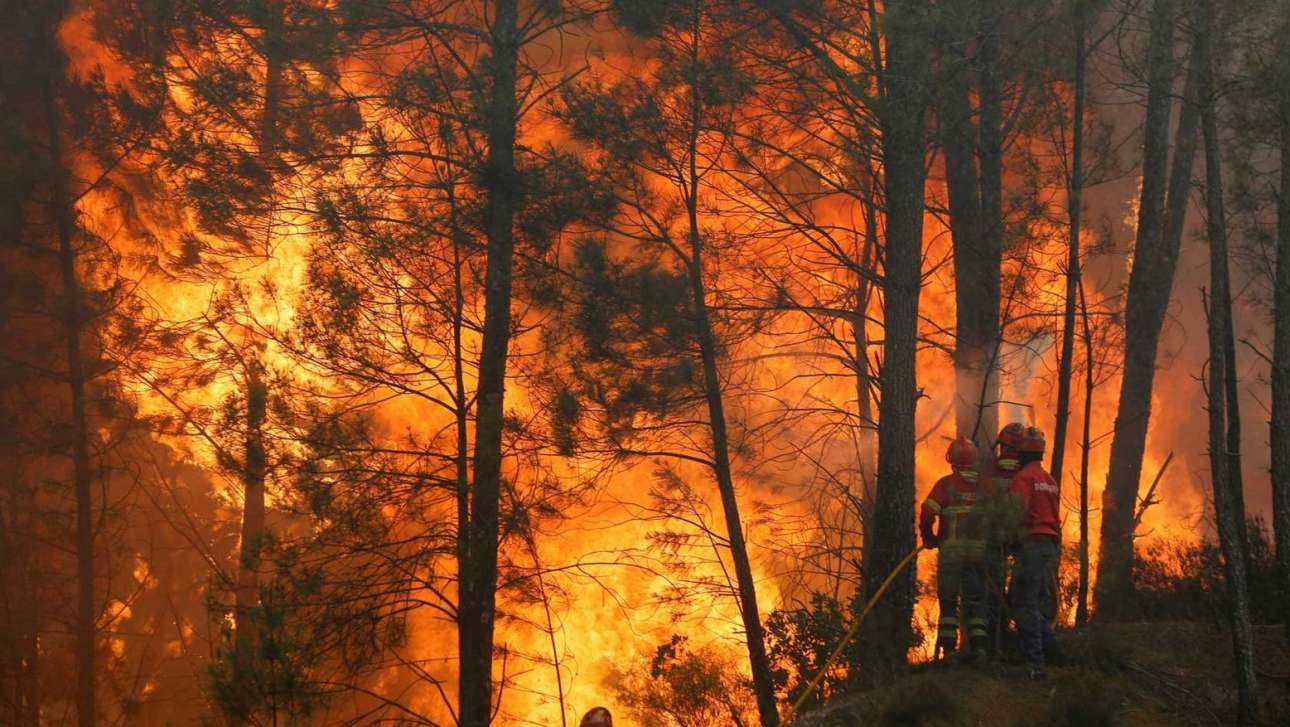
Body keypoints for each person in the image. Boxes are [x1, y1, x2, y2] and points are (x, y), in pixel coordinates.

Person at [919, 436, 990, 661]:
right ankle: (979, 648)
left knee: (949, 603)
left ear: (953, 460)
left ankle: (949, 651)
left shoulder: (947, 484)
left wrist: (929, 537)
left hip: (951, 555)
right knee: (976, 602)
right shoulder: (985, 487)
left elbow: (928, 511)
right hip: (979, 555)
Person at [1001, 423, 1061, 679]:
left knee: (1023, 602)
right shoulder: (1049, 480)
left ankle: (1035, 665)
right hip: (1049, 545)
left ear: (1022, 453)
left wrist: (1007, 540)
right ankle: (1054, 651)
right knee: (1029, 601)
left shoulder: (1023, 479)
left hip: (1031, 544)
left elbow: (1016, 513)